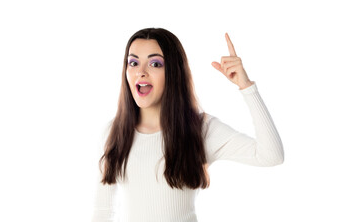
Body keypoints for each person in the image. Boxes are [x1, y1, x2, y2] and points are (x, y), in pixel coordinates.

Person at [91, 28, 284, 222]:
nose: (141, 72)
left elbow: (271, 155)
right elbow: (102, 212)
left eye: (155, 64)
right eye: (133, 63)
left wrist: (247, 87)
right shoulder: (112, 133)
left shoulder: (201, 129)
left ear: (173, 72)